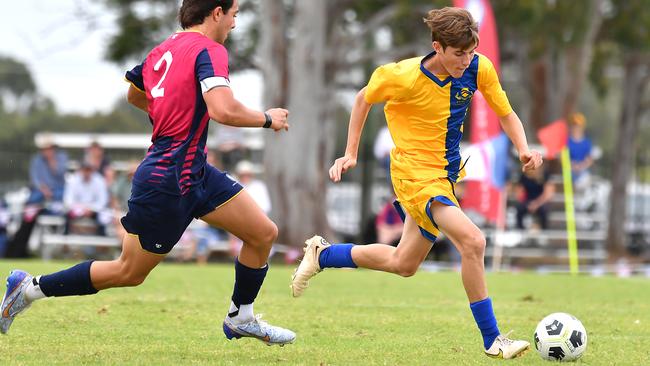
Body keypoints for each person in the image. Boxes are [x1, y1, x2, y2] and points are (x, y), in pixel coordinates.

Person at [1, 0, 295, 346]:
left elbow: (135, 94)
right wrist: (267, 118)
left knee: (262, 233)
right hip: (167, 178)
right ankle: (29, 288)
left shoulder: (163, 50)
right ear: (217, 12)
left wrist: (174, 110)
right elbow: (222, 109)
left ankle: (241, 317)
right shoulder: (209, 49)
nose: (234, 24)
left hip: (194, 170)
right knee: (128, 271)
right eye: (234, 15)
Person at [291, 7, 542, 359]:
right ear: (438, 47)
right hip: (412, 175)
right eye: (459, 53)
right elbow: (363, 98)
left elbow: (505, 112)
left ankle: (323, 254)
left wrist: (523, 148)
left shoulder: (478, 67)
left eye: (471, 52)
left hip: (443, 176)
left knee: (403, 264)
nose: (466, 60)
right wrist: (350, 153)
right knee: (473, 241)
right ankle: (493, 338)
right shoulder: (403, 76)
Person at [63, 162, 110, 236]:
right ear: (80, 170)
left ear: (92, 171)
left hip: (94, 210)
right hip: (77, 209)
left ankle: (101, 241)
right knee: (66, 216)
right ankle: (65, 241)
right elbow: (68, 200)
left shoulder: (99, 180)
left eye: (88, 170)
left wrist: (91, 209)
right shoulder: (73, 180)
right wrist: (81, 208)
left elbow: (103, 200)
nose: (86, 173)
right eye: (85, 170)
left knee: (103, 217)